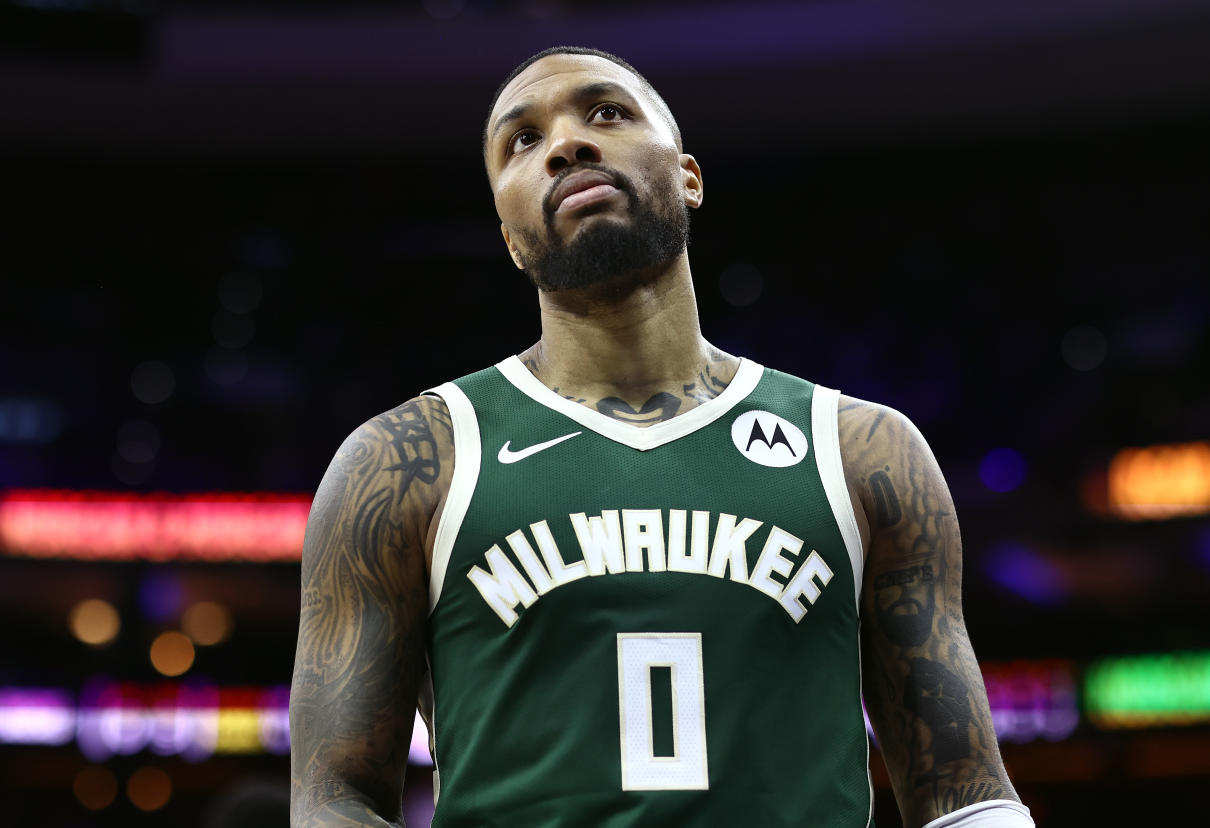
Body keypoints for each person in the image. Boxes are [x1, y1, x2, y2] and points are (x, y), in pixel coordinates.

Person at [289, 46, 1034, 828]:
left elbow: (964, 793)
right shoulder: (406, 461)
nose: (567, 144)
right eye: (523, 141)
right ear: (508, 236)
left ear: (689, 177)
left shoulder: (862, 448)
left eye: (606, 112)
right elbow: (334, 799)